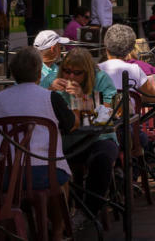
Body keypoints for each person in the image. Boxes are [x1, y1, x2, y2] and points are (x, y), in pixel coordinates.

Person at [45, 47, 119, 225]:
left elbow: (108, 113)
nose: (70, 77)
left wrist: (83, 98)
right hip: (65, 141)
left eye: (77, 73)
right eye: (67, 71)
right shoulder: (52, 79)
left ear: (87, 72)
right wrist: (48, 90)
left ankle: (88, 212)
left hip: (98, 138)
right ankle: (55, 219)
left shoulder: (101, 79)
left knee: (102, 159)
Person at [0, 47, 74, 195]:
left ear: (14, 74)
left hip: (4, 172)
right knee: (63, 179)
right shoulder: (51, 97)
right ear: (38, 73)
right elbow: (70, 124)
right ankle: (59, 217)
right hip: (44, 170)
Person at [99, 25, 155, 97]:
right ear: (130, 49)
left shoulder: (94, 70)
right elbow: (153, 97)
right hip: (130, 108)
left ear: (106, 48)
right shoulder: (135, 70)